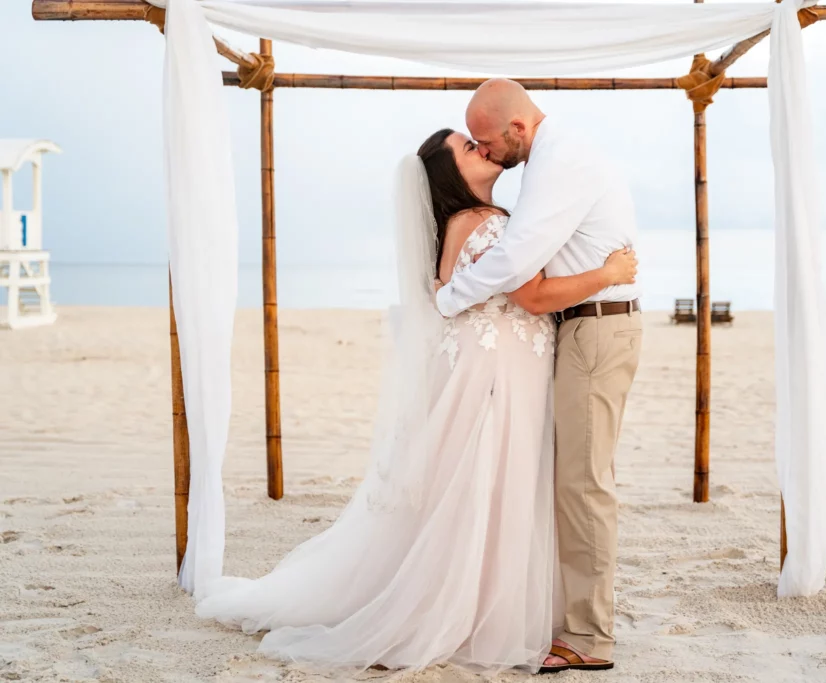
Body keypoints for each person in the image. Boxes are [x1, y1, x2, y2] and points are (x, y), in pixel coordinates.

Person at [192, 127, 637, 677]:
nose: (483, 148)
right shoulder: (489, 225)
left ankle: (476, 600)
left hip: (485, 363)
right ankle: (475, 610)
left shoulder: (459, 225)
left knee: (474, 487)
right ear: (449, 175)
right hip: (498, 371)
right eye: (468, 148)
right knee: (491, 485)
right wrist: (609, 274)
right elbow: (531, 295)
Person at [434, 79, 643, 672]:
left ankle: (587, 636)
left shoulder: (560, 159)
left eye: (487, 140)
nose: (488, 150)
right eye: (473, 145)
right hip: (583, 325)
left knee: (582, 484)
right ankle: (574, 620)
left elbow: (517, 258)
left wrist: (450, 301)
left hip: (596, 329)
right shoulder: (549, 158)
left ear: (518, 128)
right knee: (573, 480)